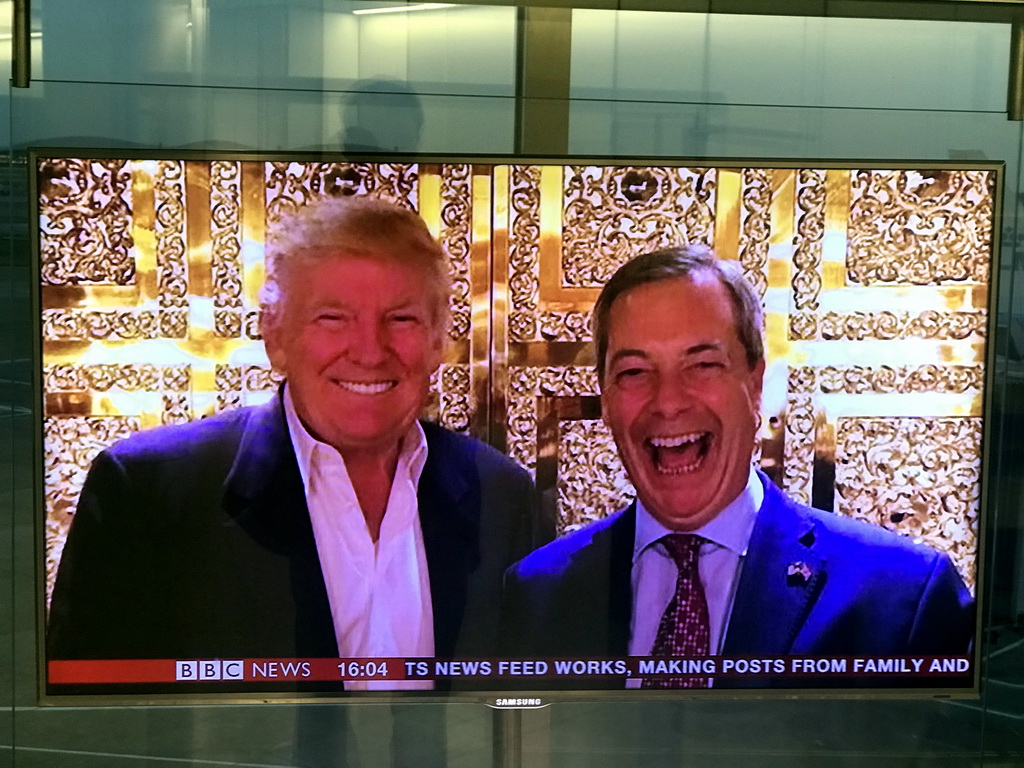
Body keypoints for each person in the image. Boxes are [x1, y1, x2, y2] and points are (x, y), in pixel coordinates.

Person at [47, 194, 536, 693]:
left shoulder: (502, 493)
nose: (370, 351)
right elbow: (90, 728)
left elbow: (525, 709)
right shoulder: (148, 493)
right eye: (333, 318)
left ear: (437, 339)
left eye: (401, 319)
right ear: (275, 336)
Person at [502, 245, 974, 688]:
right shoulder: (537, 595)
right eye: (634, 373)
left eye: (702, 365)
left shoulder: (902, 596)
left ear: (754, 384)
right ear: (605, 401)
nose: (667, 402)